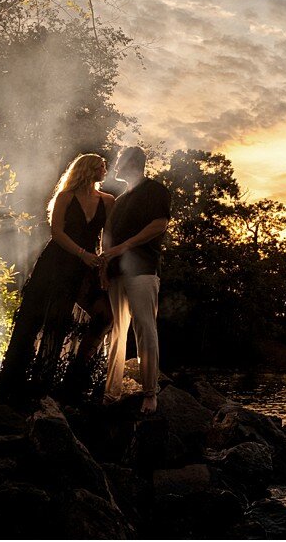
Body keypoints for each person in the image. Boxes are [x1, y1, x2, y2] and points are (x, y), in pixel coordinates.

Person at [0, 152, 114, 405]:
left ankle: (75, 382)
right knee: (43, 318)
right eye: (101, 166)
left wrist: (102, 265)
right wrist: (82, 254)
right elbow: (57, 232)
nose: (105, 170)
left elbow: (107, 238)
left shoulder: (108, 200)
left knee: (103, 315)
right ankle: (30, 387)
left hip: (88, 265)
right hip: (57, 263)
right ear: (88, 169)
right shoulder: (65, 197)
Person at [100, 145, 172, 411]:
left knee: (144, 328)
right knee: (117, 332)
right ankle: (111, 393)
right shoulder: (119, 201)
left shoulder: (155, 190)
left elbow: (159, 225)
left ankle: (150, 393)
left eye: (119, 161)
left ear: (132, 163)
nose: (115, 166)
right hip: (116, 274)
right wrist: (104, 267)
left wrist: (124, 247)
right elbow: (107, 238)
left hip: (143, 271)